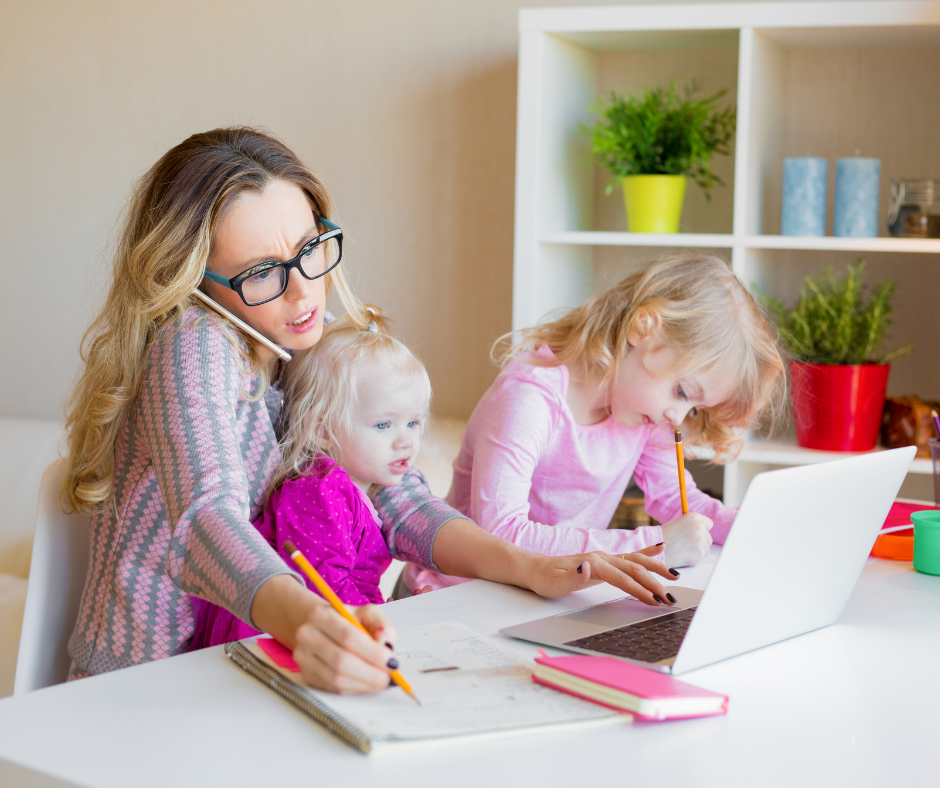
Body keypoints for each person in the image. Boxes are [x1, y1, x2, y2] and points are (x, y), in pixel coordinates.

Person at [61, 127, 670, 694]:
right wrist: (307, 623)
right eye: (261, 275)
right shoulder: (192, 342)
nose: (303, 293)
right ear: (193, 282)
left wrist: (528, 566)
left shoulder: (303, 336)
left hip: (240, 662)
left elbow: (397, 497)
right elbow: (205, 520)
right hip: (149, 682)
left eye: (309, 252)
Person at [189, 310, 677, 648]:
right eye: (383, 426)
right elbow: (330, 595)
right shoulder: (321, 490)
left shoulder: (362, 486)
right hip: (271, 643)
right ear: (320, 428)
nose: (405, 443)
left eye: (414, 424)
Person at [401, 255, 786, 594]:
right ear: (643, 329)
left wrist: (754, 525)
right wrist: (652, 545)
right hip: (455, 592)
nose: (678, 417)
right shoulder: (531, 397)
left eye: (695, 409)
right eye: (683, 391)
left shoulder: (642, 412)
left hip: (549, 591)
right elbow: (501, 535)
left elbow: (680, 502)